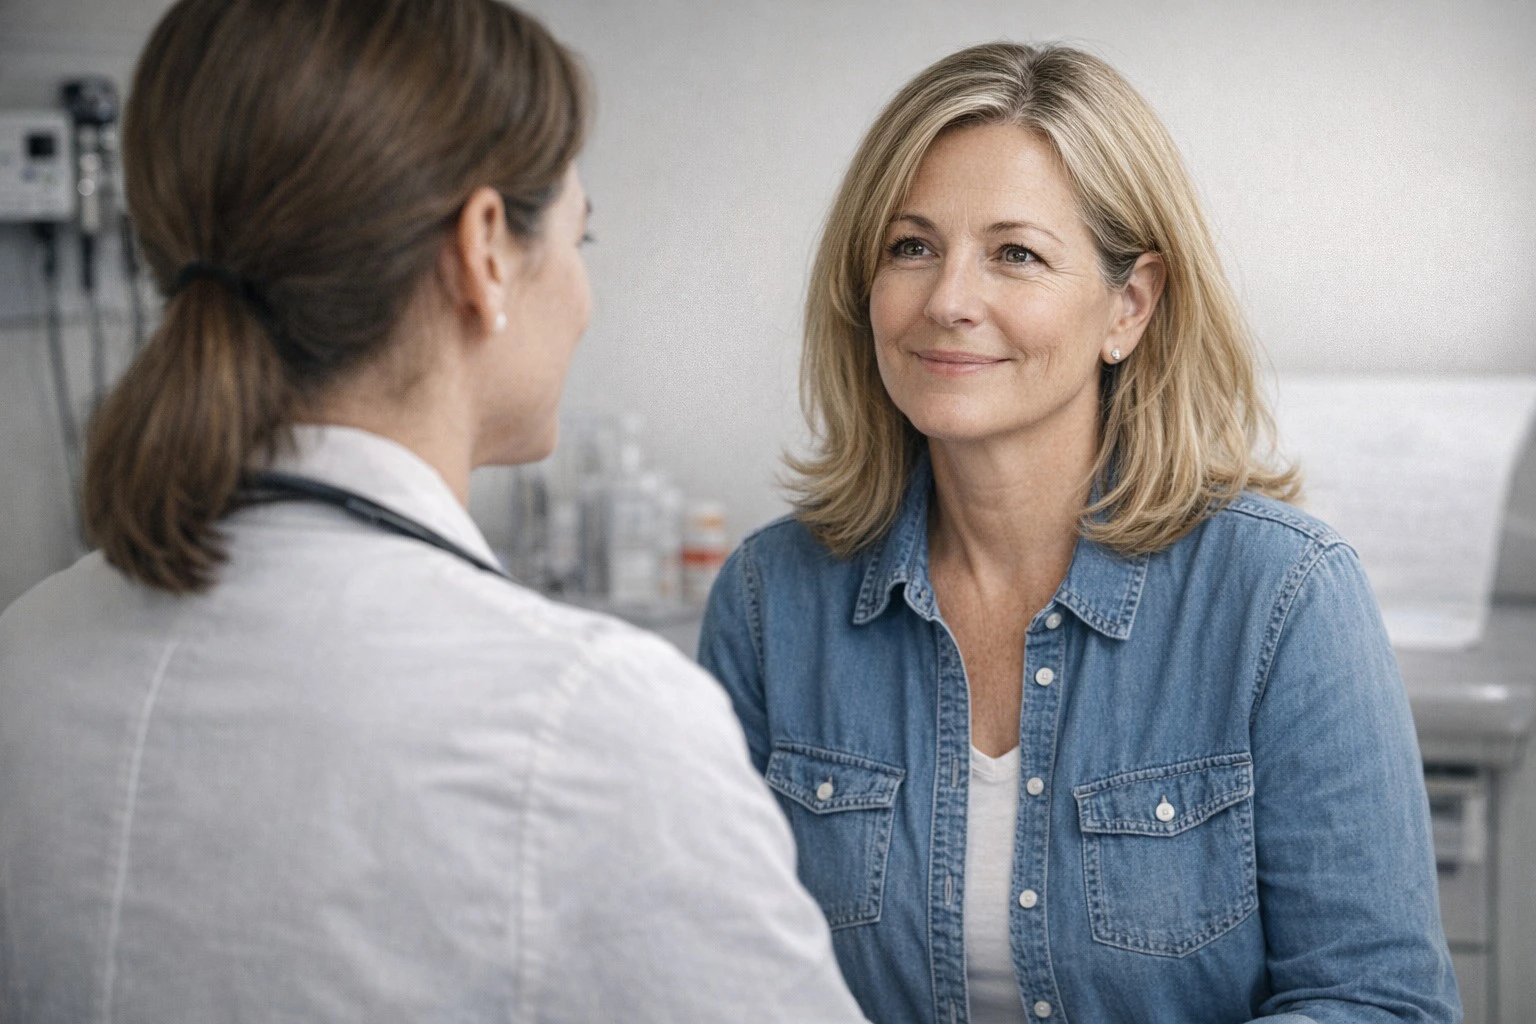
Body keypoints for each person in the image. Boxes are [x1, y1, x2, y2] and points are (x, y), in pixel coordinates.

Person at [0, 2, 868, 1021]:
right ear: (486, 248)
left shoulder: (27, 655)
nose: (585, 294)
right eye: (580, 234)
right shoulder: (590, 724)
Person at [699, 42, 1458, 1024]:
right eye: (911, 246)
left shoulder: (1285, 595)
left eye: (1014, 253)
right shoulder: (770, 600)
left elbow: (1380, 1002)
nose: (948, 300)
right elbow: (710, 977)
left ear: (1129, 306)